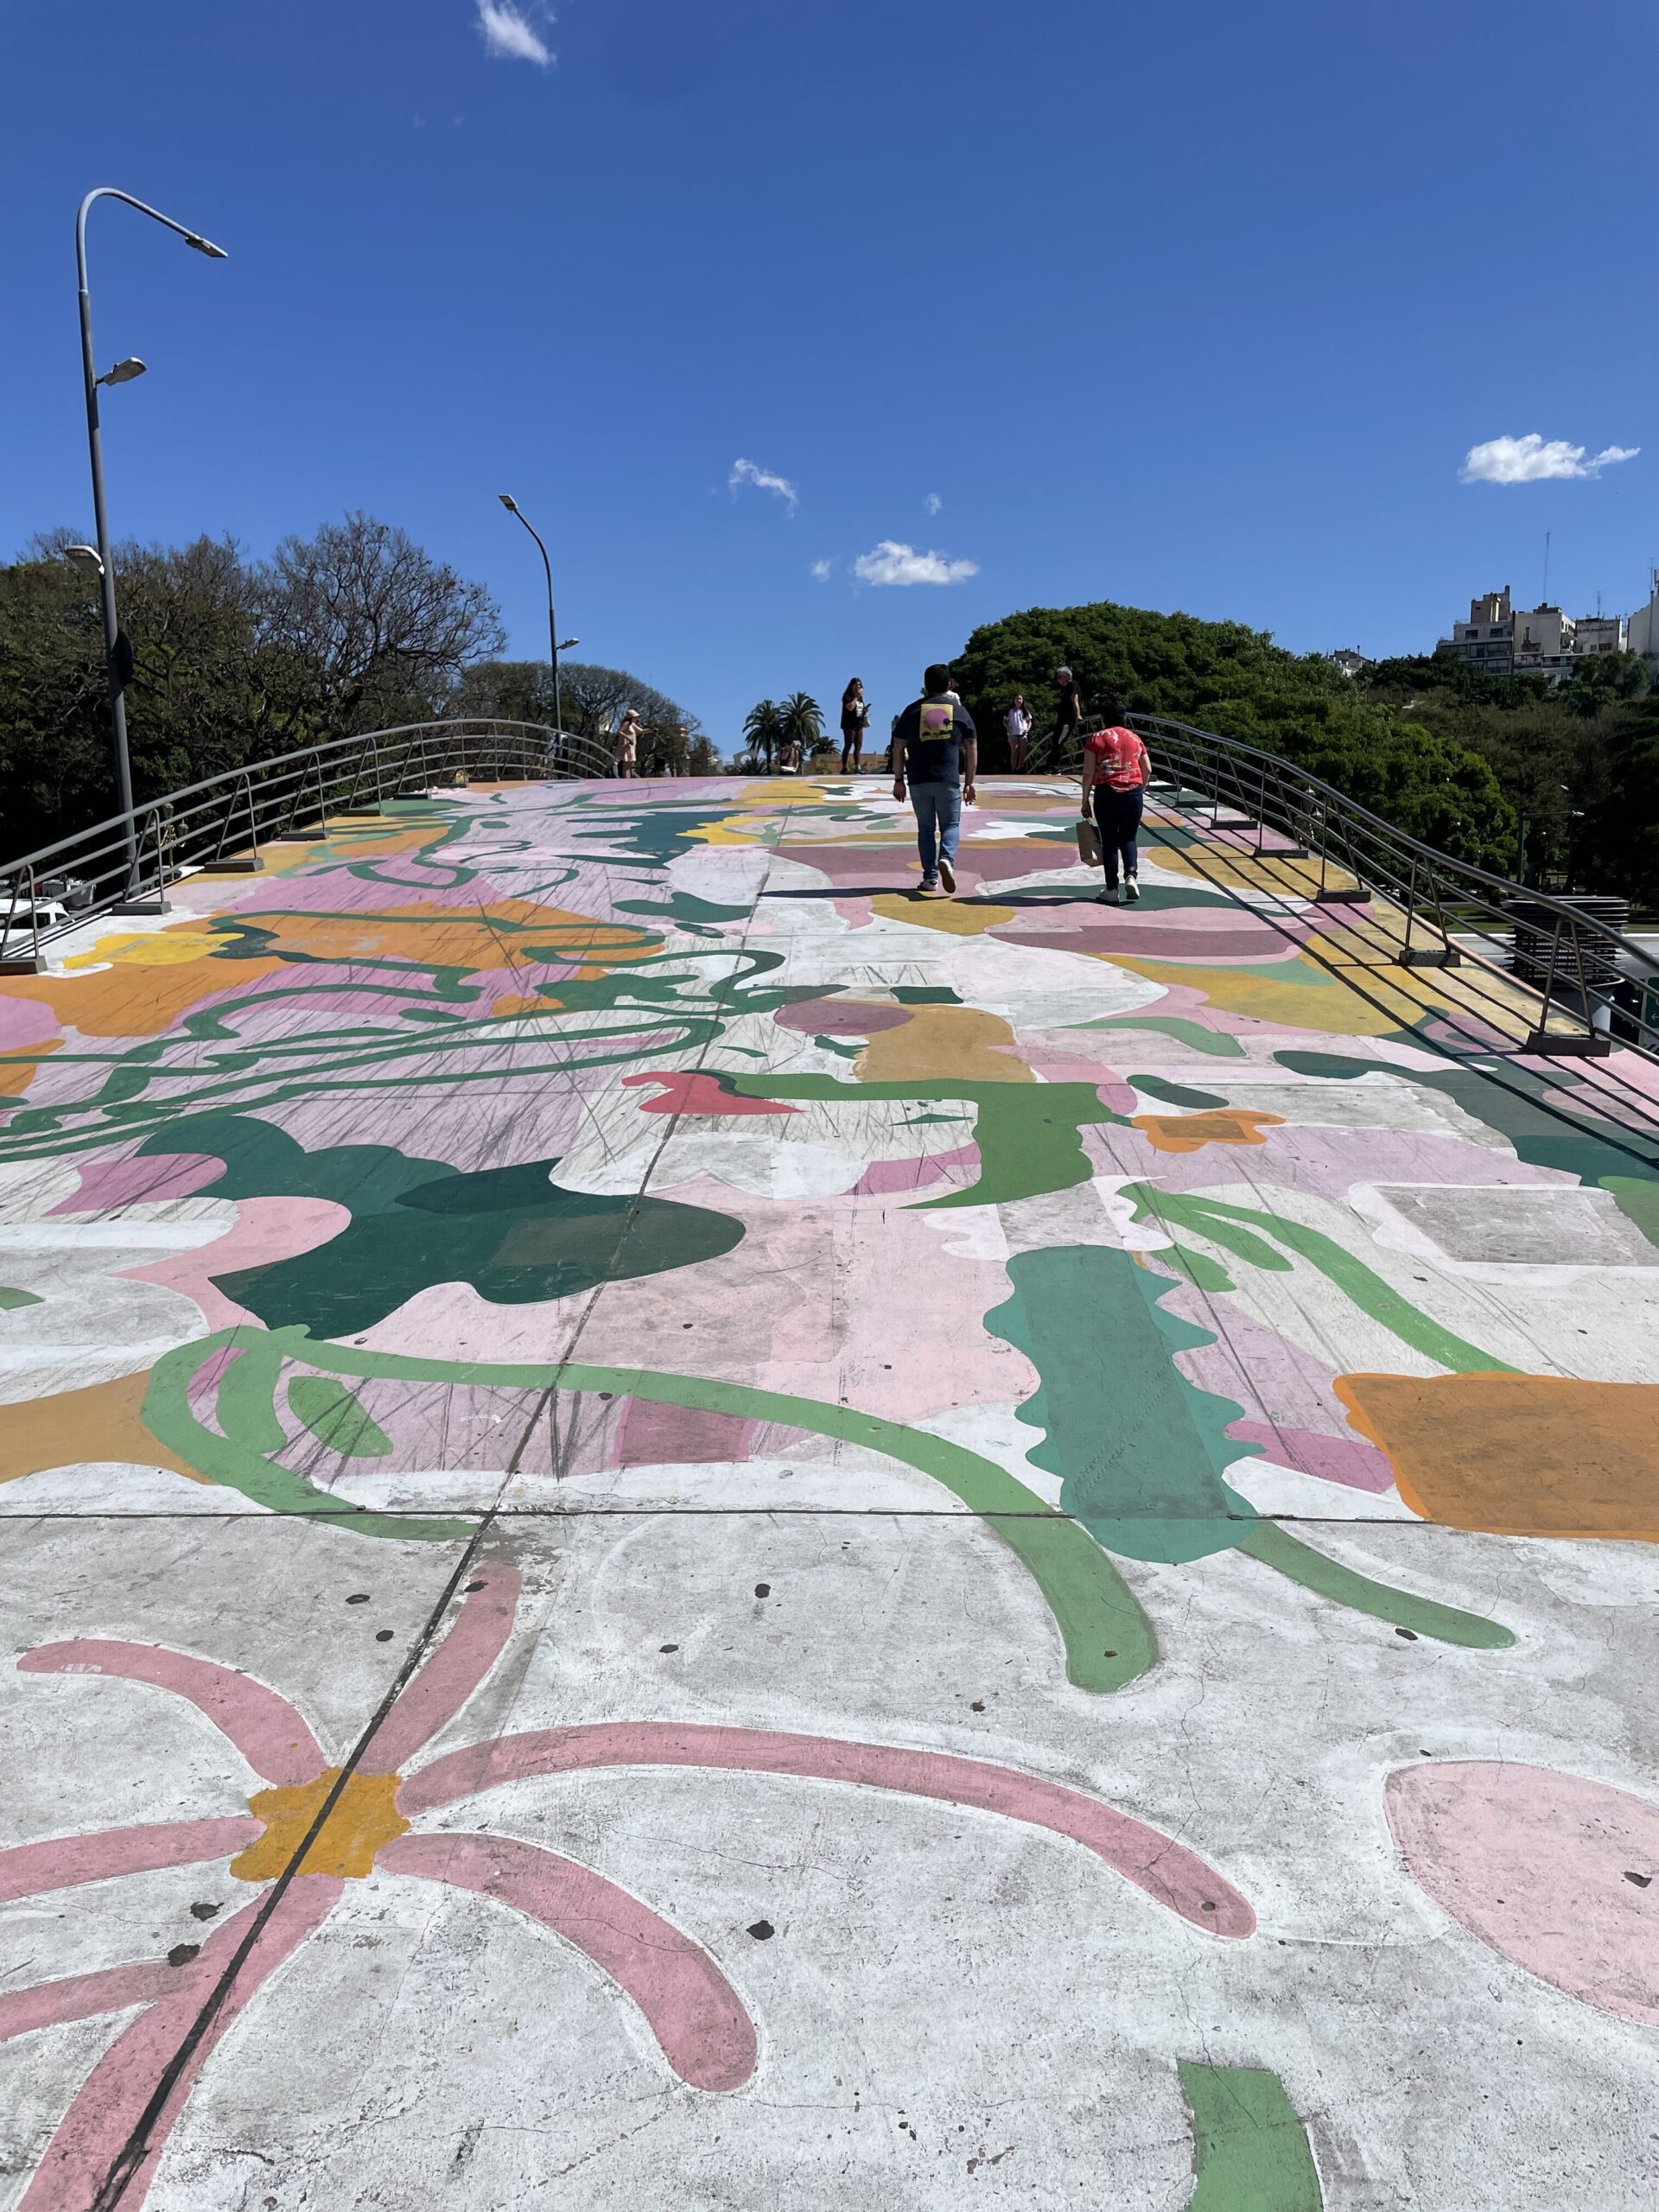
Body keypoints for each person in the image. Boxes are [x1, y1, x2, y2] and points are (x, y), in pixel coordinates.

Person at [891, 663, 977, 895]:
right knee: (951, 824)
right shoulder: (959, 711)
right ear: (949, 685)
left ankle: (930, 878)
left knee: (926, 829)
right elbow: (971, 746)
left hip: (919, 780)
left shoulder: (911, 711)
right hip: (948, 779)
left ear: (925, 686)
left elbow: (898, 745)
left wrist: (898, 779)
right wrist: (969, 782)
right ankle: (947, 858)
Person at [1078, 696, 1150, 906]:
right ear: (1124, 717)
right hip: (1134, 792)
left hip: (1107, 792)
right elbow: (1148, 768)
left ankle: (1111, 889)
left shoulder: (1096, 738)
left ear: (1103, 718)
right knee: (1129, 838)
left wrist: (1085, 801)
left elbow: (1088, 771)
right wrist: (1139, 788)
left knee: (1109, 842)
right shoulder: (1135, 738)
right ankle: (1131, 876)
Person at [1052, 666, 1084, 761]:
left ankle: (1055, 766)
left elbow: (1075, 699)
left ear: (1065, 676)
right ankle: (1053, 765)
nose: (1058, 679)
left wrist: (1078, 715)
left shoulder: (1072, 685)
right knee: (1056, 741)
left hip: (1067, 720)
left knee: (1059, 741)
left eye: (1059, 677)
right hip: (1061, 720)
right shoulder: (1065, 688)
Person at [840, 678, 870, 772]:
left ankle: (858, 767)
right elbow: (850, 707)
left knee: (858, 745)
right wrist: (856, 697)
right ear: (852, 686)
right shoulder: (847, 696)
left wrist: (865, 710)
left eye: (860, 685)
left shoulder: (861, 698)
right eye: (857, 685)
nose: (859, 687)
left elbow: (859, 708)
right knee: (848, 744)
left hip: (859, 724)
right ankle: (844, 767)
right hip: (849, 724)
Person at [1004, 693, 1032, 772]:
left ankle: (1020, 767)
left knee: (1023, 751)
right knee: (1015, 750)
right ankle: (1013, 768)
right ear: (1014, 700)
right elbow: (1005, 721)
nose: (1019, 700)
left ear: (1023, 701)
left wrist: (1027, 729)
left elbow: (1029, 721)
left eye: (1020, 699)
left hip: (1023, 733)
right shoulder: (1010, 711)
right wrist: (1008, 727)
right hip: (1012, 733)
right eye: (1017, 699)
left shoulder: (1025, 711)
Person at [614, 708, 640, 779]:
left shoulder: (633, 724)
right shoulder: (626, 723)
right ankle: (626, 780)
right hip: (626, 745)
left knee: (629, 765)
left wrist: (651, 730)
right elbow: (619, 732)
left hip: (631, 746)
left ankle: (629, 779)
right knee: (626, 765)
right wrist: (628, 738)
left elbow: (641, 730)